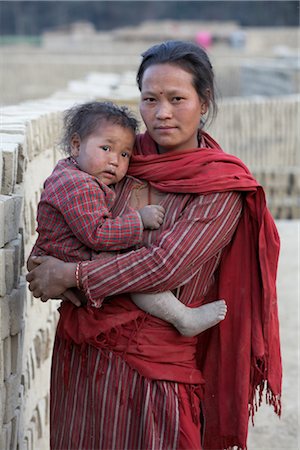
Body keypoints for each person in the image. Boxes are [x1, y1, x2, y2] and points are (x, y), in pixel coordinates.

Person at [26, 40, 282, 450]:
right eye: (150, 99)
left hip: (154, 367)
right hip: (83, 352)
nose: (161, 113)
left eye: (177, 99)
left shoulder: (219, 188)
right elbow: (63, 218)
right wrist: (45, 265)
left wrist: (70, 274)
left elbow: (165, 266)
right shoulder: (117, 158)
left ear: (204, 102)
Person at [30, 100, 227, 336]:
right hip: (70, 256)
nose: (115, 160)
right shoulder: (78, 185)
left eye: (124, 154)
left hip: (62, 258)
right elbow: (97, 234)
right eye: (106, 148)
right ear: (76, 145)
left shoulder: (72, 173)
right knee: (132, 271)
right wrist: (139, 220)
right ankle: (182, 317)